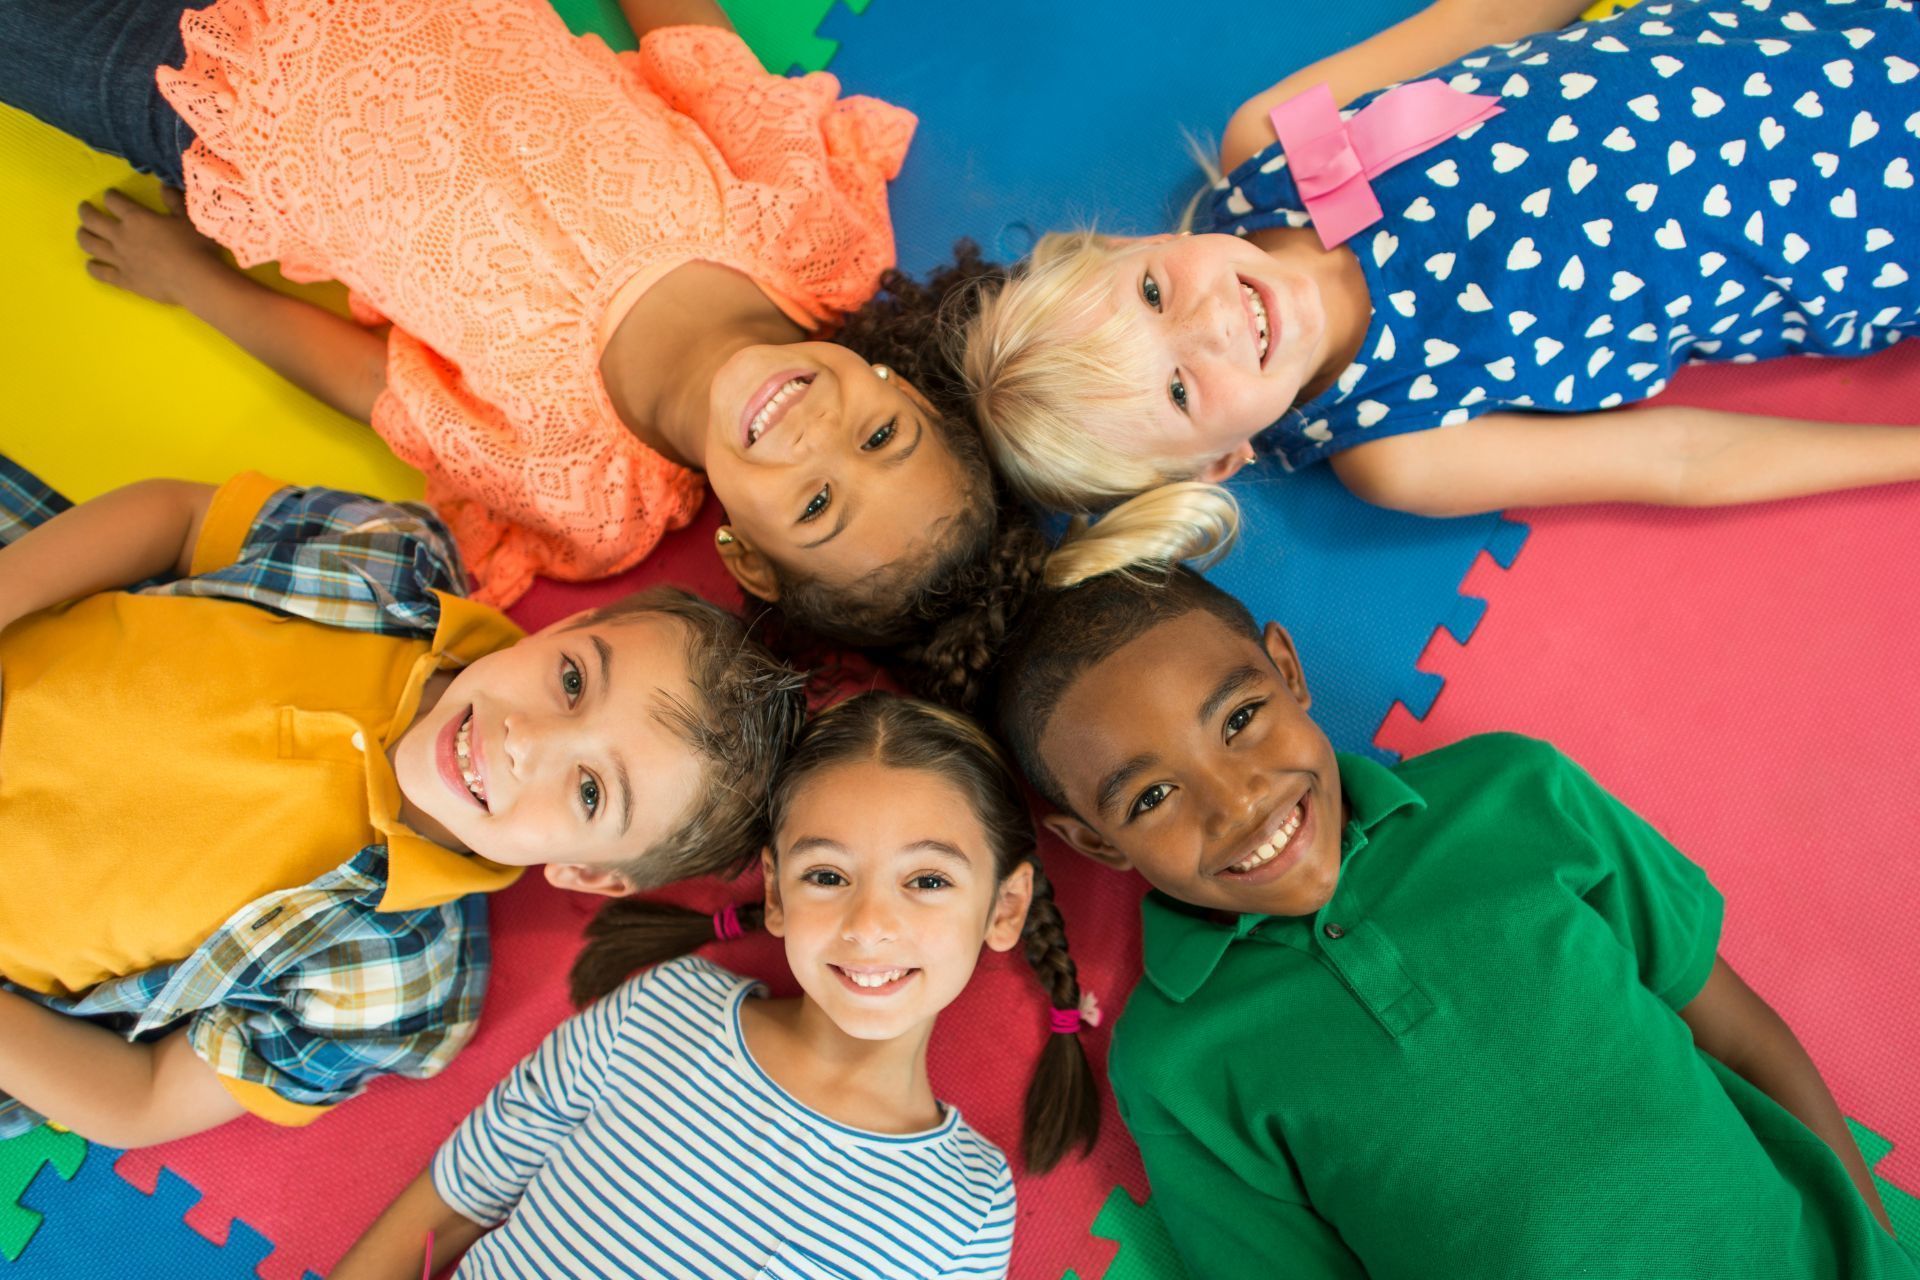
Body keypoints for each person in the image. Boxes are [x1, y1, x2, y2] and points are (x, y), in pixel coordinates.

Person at [990, 566, 1915, 1278]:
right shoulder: (1174, 1063)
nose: (1236, 802)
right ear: (1095, 843)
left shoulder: (1515, 791)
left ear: (1288, 669)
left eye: (1240, 719)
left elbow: (1743, 1035)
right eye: (1152, 794)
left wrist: (1874, 1244)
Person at [0, 0, 999, 652]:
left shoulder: (588, 493)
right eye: (881, 437)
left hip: (208, 100)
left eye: (819, 504)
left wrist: (197, 286)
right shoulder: (811, 241)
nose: (814, 437)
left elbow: (377, 385)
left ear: (749, 555)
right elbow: (696, 50)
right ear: (899, 387)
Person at [0, 457, 804, 1147]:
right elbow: (181, 517)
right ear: (576, 624)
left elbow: (142, 1100)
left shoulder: (393, 981)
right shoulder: (392, 562)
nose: (528, 740)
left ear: (591, 873)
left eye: (591, 791)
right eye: (572, 681)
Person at [962, 0, 1920, 548]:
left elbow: (1492, 16)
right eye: (1178, 387)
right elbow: (1677, 458)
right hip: (1875, 237)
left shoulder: (1273, 148)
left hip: (1818, 38)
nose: (1209, 324)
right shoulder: (1398, 445)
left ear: (1135, 247)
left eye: (1154, 295)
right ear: (1219, 463)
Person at [331, 692, 1098, 1279]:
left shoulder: (966, 1206)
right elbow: (461, 1189)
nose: (870, 924)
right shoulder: (664, 1009)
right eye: (826, 876)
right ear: (775, 892)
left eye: (927, 880)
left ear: (1003, 907)